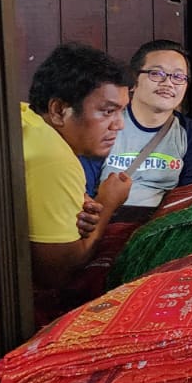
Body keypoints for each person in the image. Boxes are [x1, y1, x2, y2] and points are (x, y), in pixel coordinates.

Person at [21, 43, 133, 298]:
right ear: (59, 110)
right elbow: (57, 273)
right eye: (107, 111)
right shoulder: (54, 159)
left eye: (122, 111)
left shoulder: (25, 118)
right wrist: (107, 203)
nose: (119, 125)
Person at [94, 40, 192, 208]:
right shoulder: (106, 124)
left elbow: (189, 200)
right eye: (157, 73)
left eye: (178, 77)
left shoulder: (191, 134)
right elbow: (84, 191)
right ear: (133, 80)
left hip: (160, 227)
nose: (168, 83)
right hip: (104, 220)